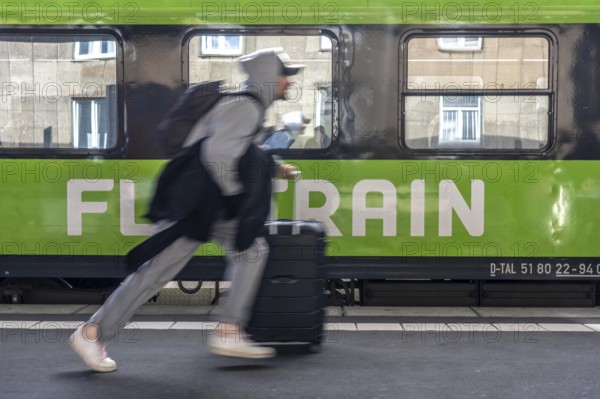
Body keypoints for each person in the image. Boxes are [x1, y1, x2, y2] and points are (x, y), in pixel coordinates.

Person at [69, 48, 303, 372]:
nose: (287, 82)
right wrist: (235, 195)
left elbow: (241, 152)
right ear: (268, 77)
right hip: (192, 206)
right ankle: (90, 333)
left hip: (208, 205)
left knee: (253, 249)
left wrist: (275, 168)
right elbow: (217, 154)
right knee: (154, 274)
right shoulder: (244, 107)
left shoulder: (245, 106)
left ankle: (229, 329)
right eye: (284, 75)